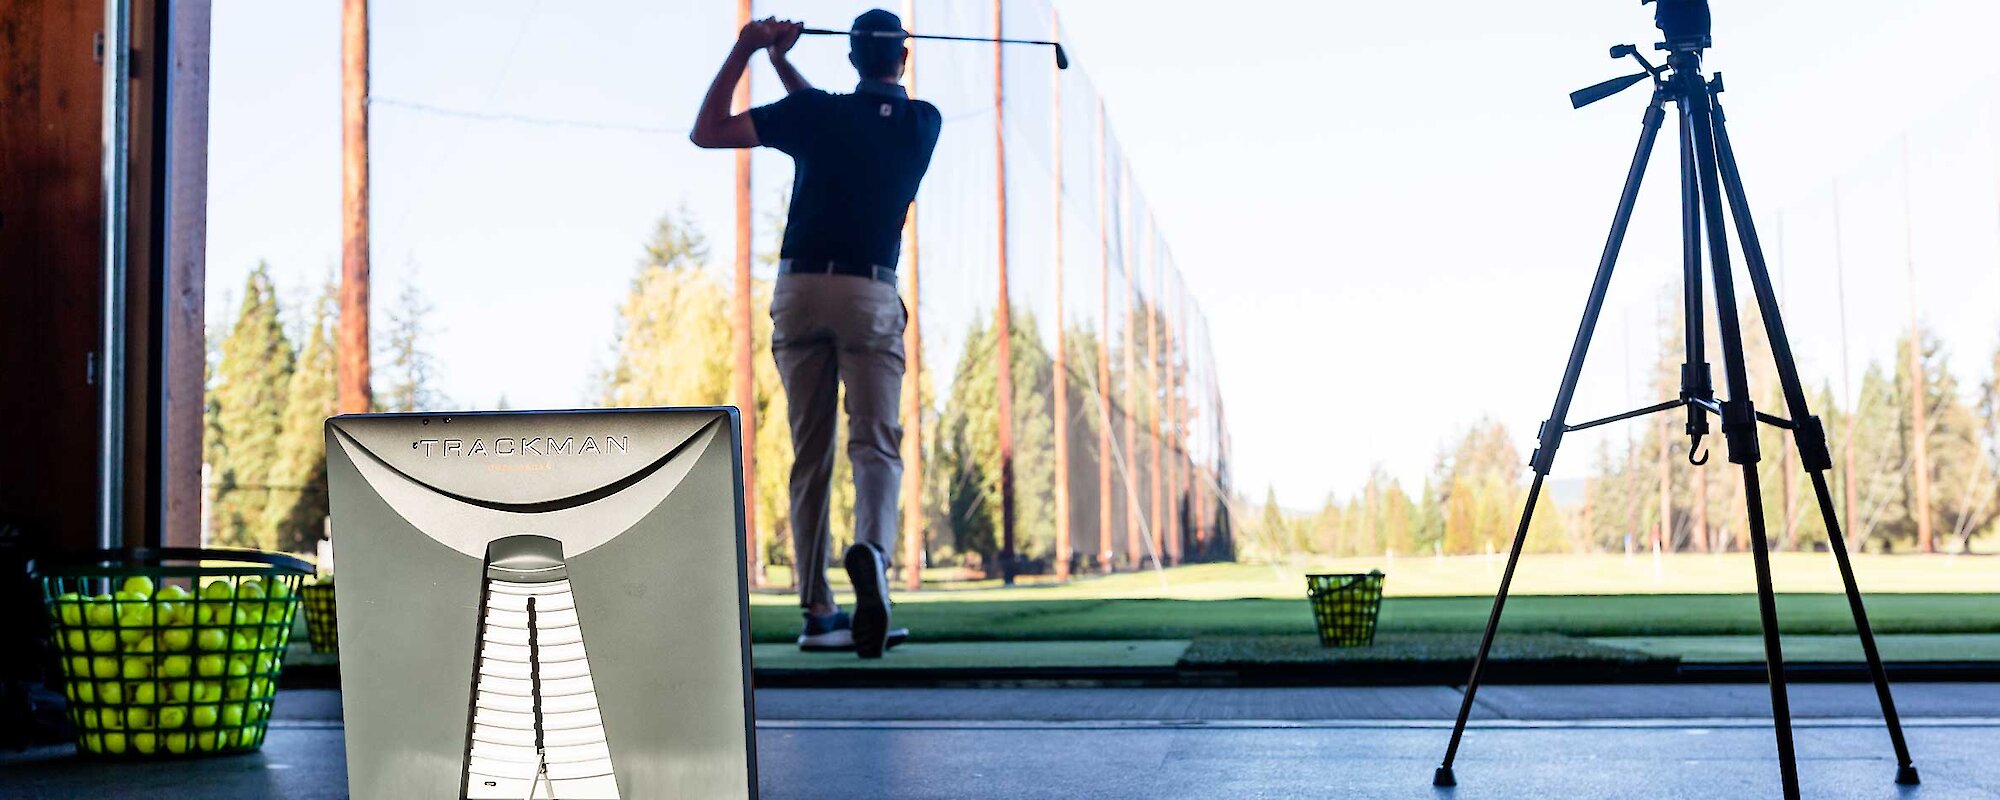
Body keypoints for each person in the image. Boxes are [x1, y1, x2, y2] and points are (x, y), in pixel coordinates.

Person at [691, 10, 940, 658]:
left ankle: (816, 610)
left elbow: (708, 130)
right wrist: (775, 61)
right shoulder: (922, 124)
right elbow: (845, 118)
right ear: (903, 61)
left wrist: (749, 51)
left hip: (798, 290)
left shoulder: (816, 118)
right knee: (876, 444)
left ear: (851, 60)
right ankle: (874, 560)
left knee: (811, 454)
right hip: (868, 291)